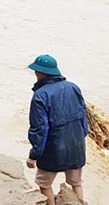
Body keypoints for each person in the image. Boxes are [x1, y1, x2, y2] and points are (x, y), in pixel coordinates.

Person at [25, 54, 88, 205]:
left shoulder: (40, 95)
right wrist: (81, 137)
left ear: (40, 73)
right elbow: (83, 117)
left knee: (44, 184)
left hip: (53, 150)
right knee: (76, 183)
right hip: (76, 146)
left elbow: (40, 129)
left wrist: (34, 155)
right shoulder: (73, 87)